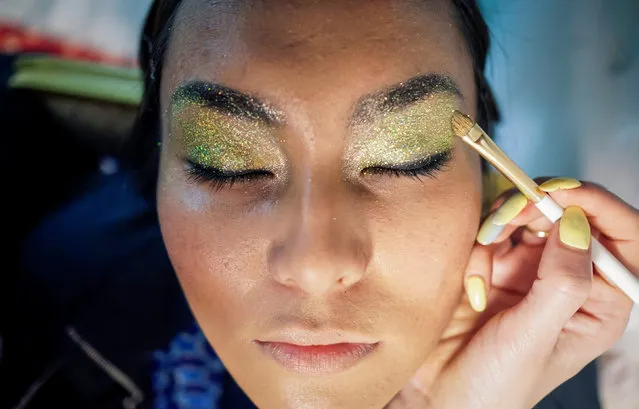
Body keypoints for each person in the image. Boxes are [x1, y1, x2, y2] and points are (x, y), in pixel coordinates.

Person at [125, 0, 639, 408]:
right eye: (229, 160)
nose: (315, 267)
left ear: (484, 180)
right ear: (161, 165)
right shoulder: (55, 316)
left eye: (403, 157)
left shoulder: (563, 380)